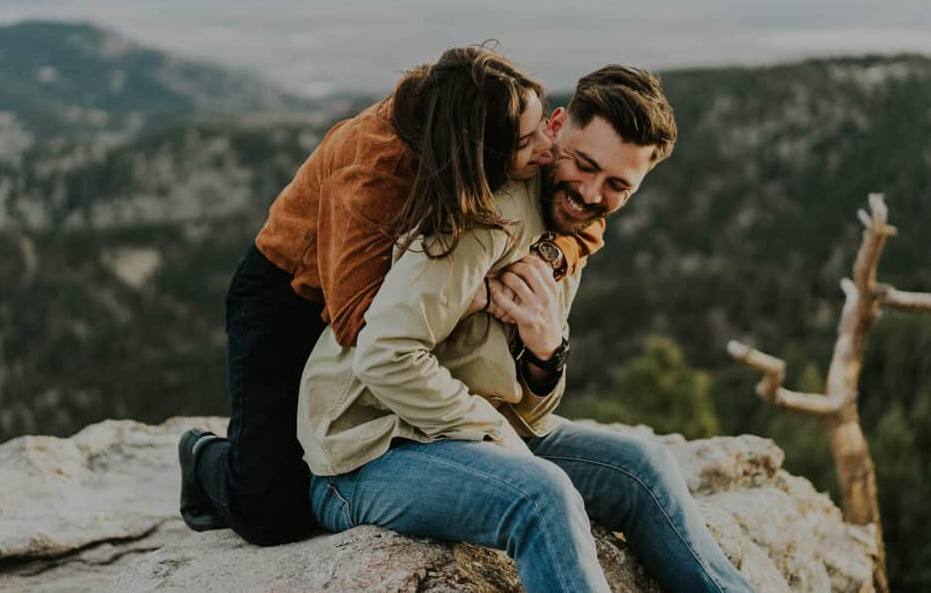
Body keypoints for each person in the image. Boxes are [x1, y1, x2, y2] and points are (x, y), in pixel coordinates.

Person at [300, 65, 755, 592]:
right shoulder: (486, 212)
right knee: (541, 497)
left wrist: (547, 353)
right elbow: (384, 354)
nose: (588, 194)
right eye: (584, 165)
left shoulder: (565, 229)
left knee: (643, 468)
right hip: (368, 452)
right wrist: (492, 431)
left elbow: (530, 415)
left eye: (616, 186)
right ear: (556, 128)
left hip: (460, 437)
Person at [178, 45, 606, 547]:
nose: (548, 152)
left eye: (544, 129)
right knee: (272, 511)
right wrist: (481, 294)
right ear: (480, 152)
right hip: (288, 300)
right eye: (528, 142)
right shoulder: (374, 170)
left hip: (368, 305)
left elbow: (587, 222)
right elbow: (356, 317)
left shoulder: (479, 105)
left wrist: (548, 259)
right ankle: (203, 454)